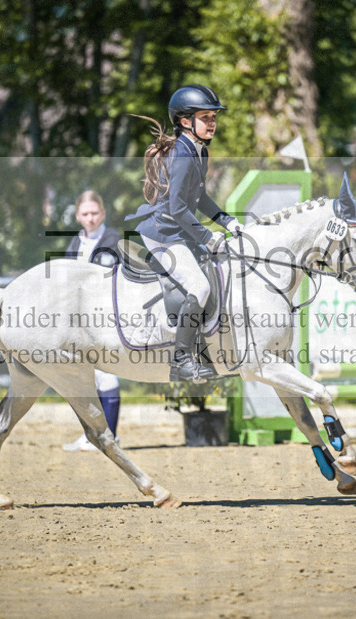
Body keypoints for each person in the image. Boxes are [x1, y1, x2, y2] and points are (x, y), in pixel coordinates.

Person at [126, 84, 243, 382]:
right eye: (206, 117)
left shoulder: (198, 152)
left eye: (214, 117)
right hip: (163, 234)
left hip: (179, 232)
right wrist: (207, 236)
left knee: (217, 275)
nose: (212, 123)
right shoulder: (181, 154)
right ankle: (180, 361)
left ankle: (203, 358)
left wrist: (226, 220)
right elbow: (178, 209)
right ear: (184, 121)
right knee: (200, 287)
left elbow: (200, 197)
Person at [62, 190, 123, 452]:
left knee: (106, 374)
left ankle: (108, 437)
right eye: (85, 214)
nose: (90, 218)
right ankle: (92, 436)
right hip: (81, 320)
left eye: (95, 213)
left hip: (108, 316)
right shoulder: (75, 244)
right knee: (87, 379)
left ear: (103, 213)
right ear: (77, 216)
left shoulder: (114, 239)